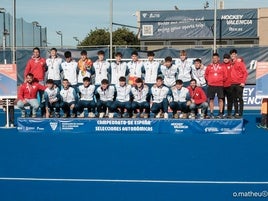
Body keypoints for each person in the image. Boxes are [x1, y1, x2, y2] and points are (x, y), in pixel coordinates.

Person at [205, 53, 227, 118]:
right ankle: (211, 112)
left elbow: (225, 76)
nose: (215, 59)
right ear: (212, 59)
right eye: (213, 58)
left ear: (218, 59)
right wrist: (209, 80)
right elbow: (206, 75)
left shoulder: (222, 66)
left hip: (220, 85)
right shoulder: (209, 66)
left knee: (220, 99)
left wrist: (220, 80)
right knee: (211, 99)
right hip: (211, 85)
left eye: (216, 58)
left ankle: (220, 113)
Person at [229, 49, 248, 118]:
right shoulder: (230, 63)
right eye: (231, 54)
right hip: (232, 84)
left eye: (234, 54)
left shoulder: (240, 62)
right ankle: (236, 112)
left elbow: (245, 73)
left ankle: (240, 113)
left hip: (239, 83)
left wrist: (243, 82)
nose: (232, 56)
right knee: (234, 99)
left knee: (240, 98)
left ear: (236, 55)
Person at [221, 53, 233, 118]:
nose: (225, 59)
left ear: (229, 59)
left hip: (230, 85)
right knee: (222, 100)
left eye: (227, 58)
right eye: (224, 58)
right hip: (222, 85)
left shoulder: (232, 65)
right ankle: (221, 113)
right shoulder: (221, 65)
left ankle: (229, 113)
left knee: (230, 100)